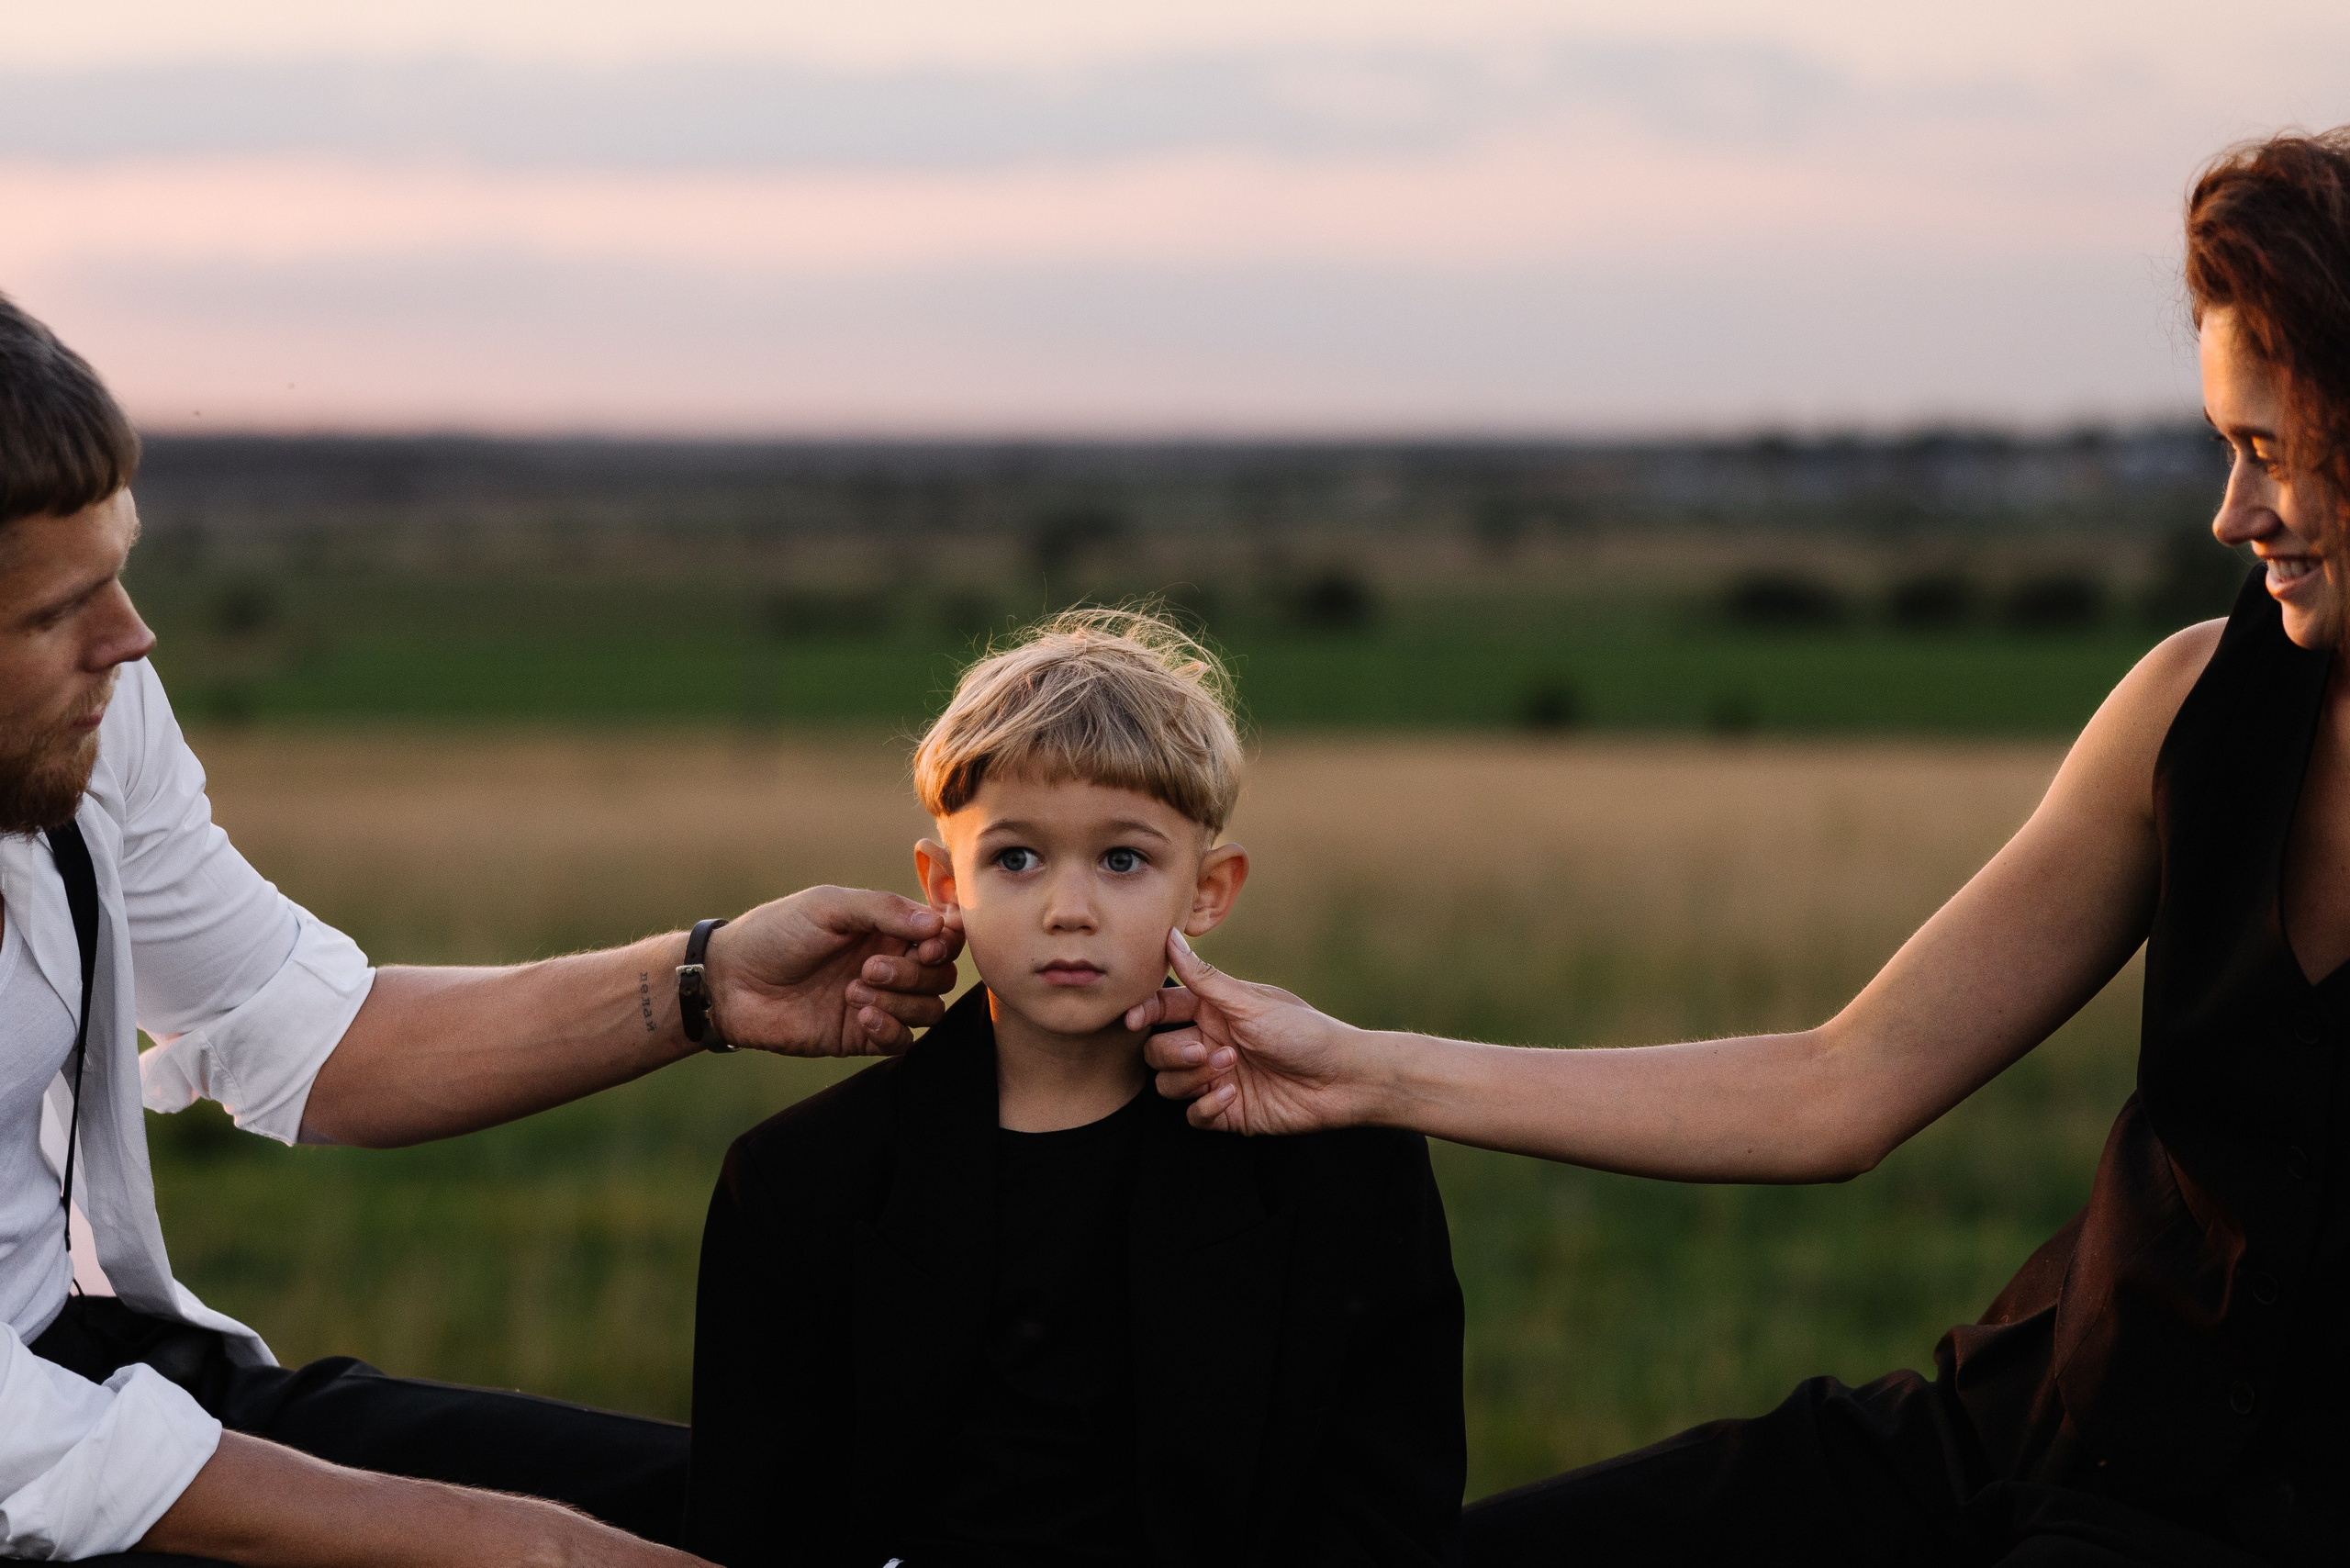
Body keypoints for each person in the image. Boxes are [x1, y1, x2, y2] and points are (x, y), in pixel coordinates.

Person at [1127, 129, 2350, 1566]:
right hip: (2011, 1450)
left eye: (2270, 450)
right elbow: (1844, 1083)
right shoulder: (2191, 712)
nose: (2232, 512)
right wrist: (1361, 1068)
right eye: (2224, 446)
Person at [0, 292, 964, 1568]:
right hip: (42, 1465)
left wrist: (705, 984)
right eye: (55, 614)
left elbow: (299, 1029)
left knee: (815, 1524)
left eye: (118, 573)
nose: (131, 639)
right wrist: (522, 1548)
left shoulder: (93, 710)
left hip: (106, 1385)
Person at [684, 610, 1465, 1568]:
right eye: (1014, 857)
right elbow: (758, 1527)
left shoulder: (1347, 1167)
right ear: (942, 881)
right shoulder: (797, 1185)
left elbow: (1391, 1520)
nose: (1067, 910)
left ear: (1209, 890)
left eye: (1123, 859)